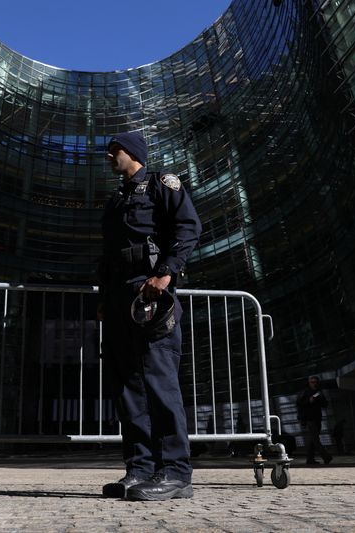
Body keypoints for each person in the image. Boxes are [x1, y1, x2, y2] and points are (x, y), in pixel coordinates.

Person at [97, 131, 202, 501]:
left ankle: (175, 472)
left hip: (151, 289)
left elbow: (188, 227)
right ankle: (139, 468)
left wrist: (167, 272)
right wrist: (104, 297)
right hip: (118, 297)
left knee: (159, 380)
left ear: (134, 153)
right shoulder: (115, 200)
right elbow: (108, 254)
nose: (110, 156)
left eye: (116, 150)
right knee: (127, 386)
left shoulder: (161, 183)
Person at [297, 375, 333, 465]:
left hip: (317, 418)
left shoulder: (319, 392)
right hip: (309, 419)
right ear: (309, 383)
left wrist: (320, 399)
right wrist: (309, 401)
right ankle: (326, 457)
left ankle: (310, 459)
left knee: (312, 440)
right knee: (315, 439)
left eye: (316, 382)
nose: (314, 384)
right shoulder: (305, 392)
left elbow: (325, 404)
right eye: (312, 382)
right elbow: (300, 404)